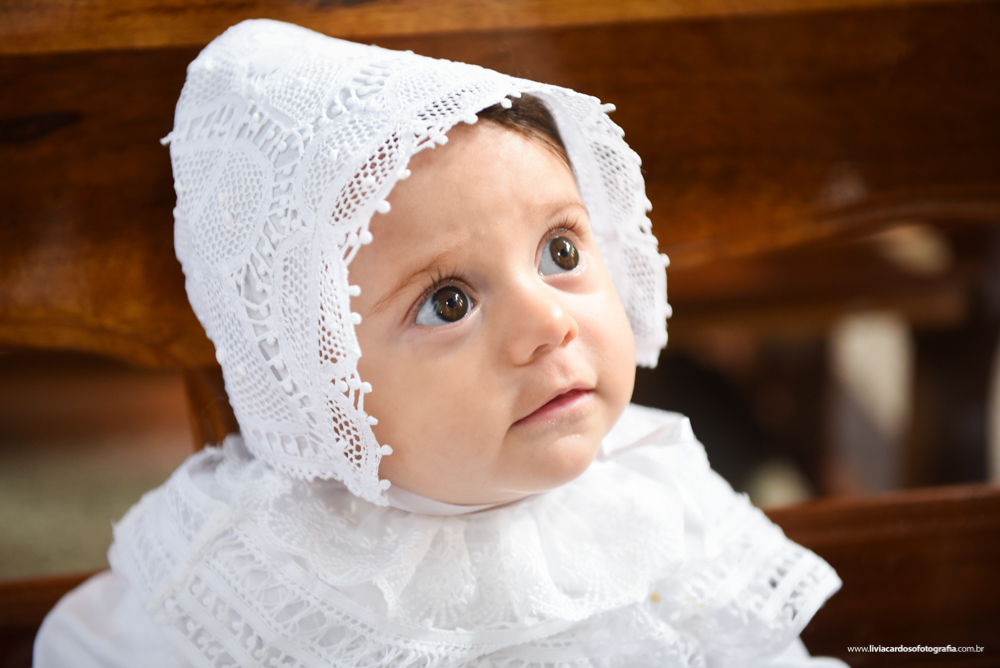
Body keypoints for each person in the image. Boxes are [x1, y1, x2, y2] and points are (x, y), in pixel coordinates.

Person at [34, 19, 847, 667]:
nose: (548, 324)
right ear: (320, 384)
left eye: (561, 252)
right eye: (449, 301)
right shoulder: (269, 572)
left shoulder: (651, 491)